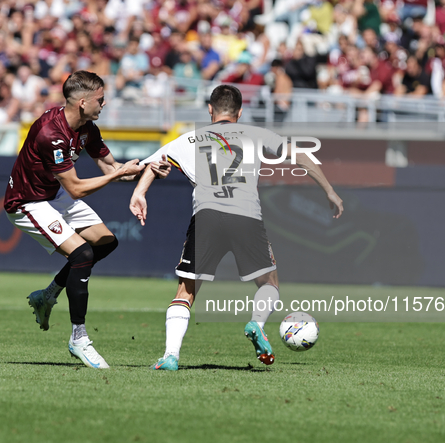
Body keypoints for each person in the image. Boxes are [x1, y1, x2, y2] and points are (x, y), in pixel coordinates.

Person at [129, 84, 344, 371]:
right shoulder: (256, 135)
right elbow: (301, 155)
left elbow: (154, 164)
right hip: (247, 216)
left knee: (185, 292)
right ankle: (256, 323)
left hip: (206, 217)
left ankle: (171, 356)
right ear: (240, 113)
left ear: (210, 110)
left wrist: (139, 193)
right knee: (269, 284)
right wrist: (329, 191)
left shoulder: (190, 139)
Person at [3, 70, 170, 369]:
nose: (103, 105)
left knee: (106, 242)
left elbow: (112, 167)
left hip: (54, 195)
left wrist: (148, 166)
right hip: (28, 201)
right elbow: (77, 187)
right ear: (82, 102)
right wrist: (119, 173)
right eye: (100, 100)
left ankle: (48, 295)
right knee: (82, 253)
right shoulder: (50, 133)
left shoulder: (87, 128)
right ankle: (78, 339)